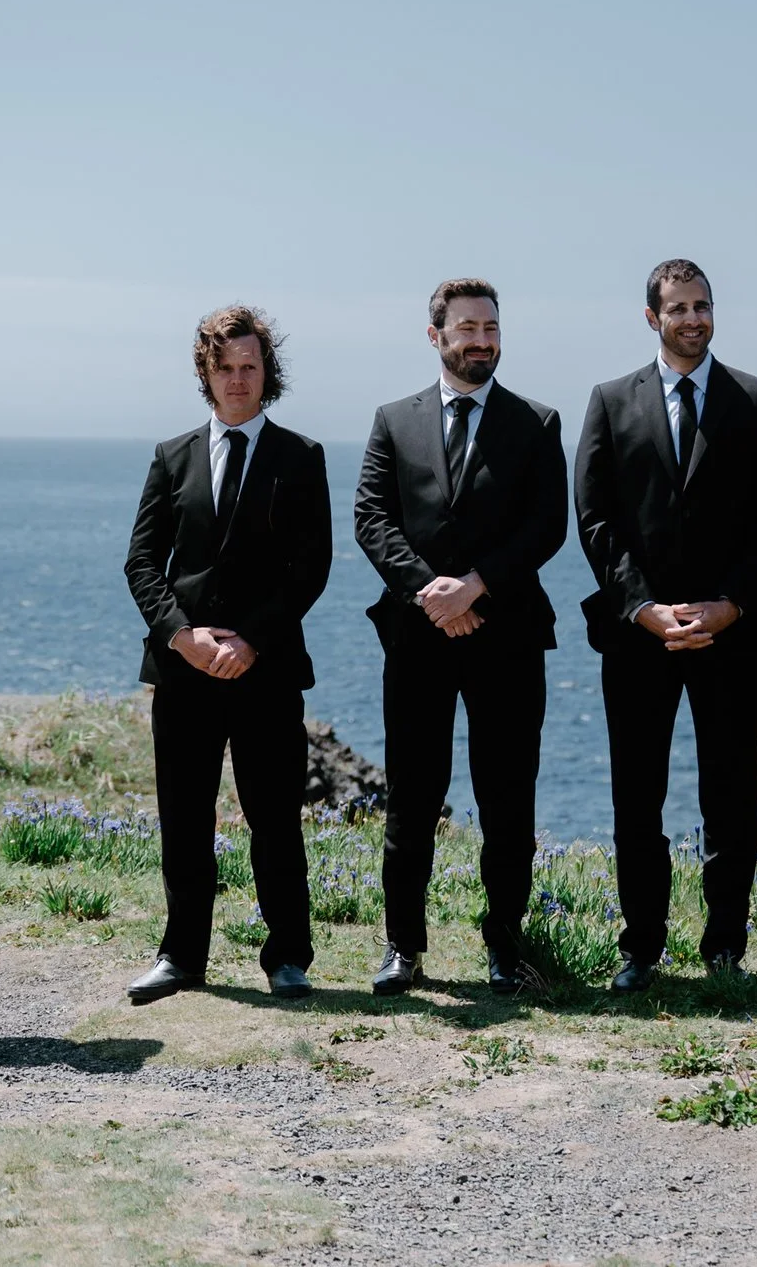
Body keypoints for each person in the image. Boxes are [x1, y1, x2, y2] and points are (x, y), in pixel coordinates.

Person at [574, 259, 757, 991]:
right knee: (637, 795)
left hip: (729, 631)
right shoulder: (609, 401)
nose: (694, 317)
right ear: (652, 317)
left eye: (703, 305)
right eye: (679, 307)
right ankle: (641, 946)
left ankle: (725, 945)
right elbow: (596, 516)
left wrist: (729, 601)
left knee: (732, 795)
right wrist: (642, 606)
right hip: (638, 635)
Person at [353, 277, 568, 994]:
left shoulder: (536, 422)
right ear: (437, 334)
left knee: (508, 799)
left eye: (491, 327)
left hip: (507, 637)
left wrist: (474, 585)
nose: (482, 339)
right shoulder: (393, 419)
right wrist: (429, 593)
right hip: (416, 640)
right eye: (468, 327)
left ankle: (505, 949)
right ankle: (403, 948)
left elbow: (547, 526)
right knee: (412, 796)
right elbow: (372, 518)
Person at [122, 306, 333, 1005]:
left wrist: (251, 638)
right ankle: (182, 955)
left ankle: (288, 958)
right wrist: (183, 634)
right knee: (184, 816)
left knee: (275, 817)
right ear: (205, 372)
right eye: (225, 367)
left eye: (250, 366)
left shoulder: (301, 457)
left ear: (267, 373)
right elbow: (143, 561)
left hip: (265, 668)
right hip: (183, 669)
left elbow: (312, 565)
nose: (238, 379)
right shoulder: (171, 455)